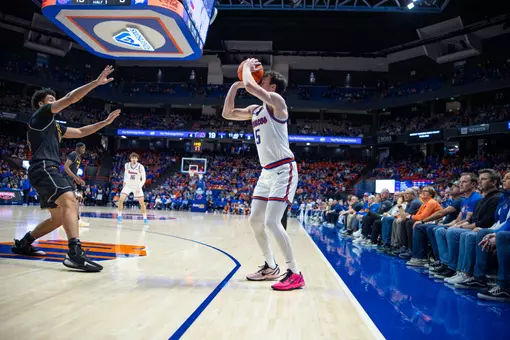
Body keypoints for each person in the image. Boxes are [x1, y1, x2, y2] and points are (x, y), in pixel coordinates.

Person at [11, 65, 120, 272]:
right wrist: (95, 83)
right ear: (41, 104)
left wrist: (104, 122)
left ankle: (24, 244)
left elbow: (80, 131)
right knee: (71, 201)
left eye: (54, 99)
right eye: (50, 100)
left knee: (58, 218)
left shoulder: (56, 126)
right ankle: (74, 253)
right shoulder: (40, 116)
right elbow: (70, 98)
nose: (55, 102)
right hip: (44, 167)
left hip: (43, 170)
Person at [222, 58, 304, 291]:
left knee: (271, 221)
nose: (258, 80)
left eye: (263, 80)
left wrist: (247, 68)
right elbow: (227, 113)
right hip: (266, 172)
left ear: (272, 87)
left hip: (284, 169)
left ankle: (295, 273)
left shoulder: (277, 102)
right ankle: (271, 266)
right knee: (255, 220)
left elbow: (251, 87)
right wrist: (234, 87)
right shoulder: (255, 109)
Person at [62, 142, 89, 227]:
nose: (84, 150)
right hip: (65, 180)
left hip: (69, 180)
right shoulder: (73, 154)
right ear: (78, 148)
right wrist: (75, 177)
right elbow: (65, 167)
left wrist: (79, 179)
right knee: (73, 201)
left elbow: (74, 172)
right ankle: (76, 220)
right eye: (83, 148)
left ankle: (71, 220)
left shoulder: (79, 158)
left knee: (72, 202)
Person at [117, 152, 148, 225]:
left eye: (135, 158)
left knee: (142, 203)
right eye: (132, 158)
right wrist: (124, 184)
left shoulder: (141, 167)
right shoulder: (127, 165)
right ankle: (119, 216)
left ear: (137, 159)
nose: (134, 159)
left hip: (137, 186)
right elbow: (125, 175)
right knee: (121, 200)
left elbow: (143, 179)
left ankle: (145, 218)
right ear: (130, 159)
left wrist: (139, 187)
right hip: (128, 185)